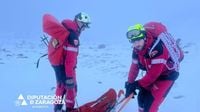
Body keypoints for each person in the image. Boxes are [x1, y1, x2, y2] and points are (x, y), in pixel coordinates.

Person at [124, 22, 184, 112]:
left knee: (150, 104)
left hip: (166, 76)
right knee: (141, 97)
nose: (136, 44)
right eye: (133, 41)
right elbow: (134, 67)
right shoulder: (137, 49)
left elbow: (153, 75)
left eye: (138, 40)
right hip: (151, 74)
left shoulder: (158, 48)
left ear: (144, 37)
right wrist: (129, 83)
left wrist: (136, 84)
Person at [43, 12, 91, 112]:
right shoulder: (73, 37)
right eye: (84, 25)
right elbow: (70, 60)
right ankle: (69, 109)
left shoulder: (66, 28)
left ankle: (57, 109)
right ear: (78, 22)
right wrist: (69, 78)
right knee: (71, 88)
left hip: (57, 63)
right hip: (65, 65)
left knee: (61, 86)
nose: (84, 29)